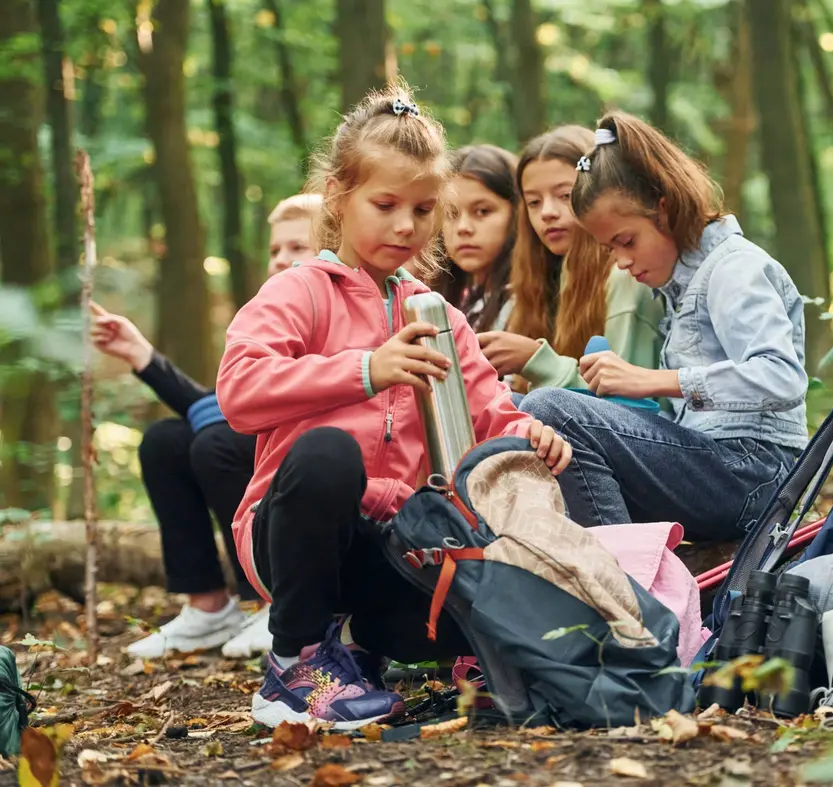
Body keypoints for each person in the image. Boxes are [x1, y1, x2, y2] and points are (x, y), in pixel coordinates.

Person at [216, 86, 572, 730]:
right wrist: (365, 369)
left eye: (423, 209)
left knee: (474, 633)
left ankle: (356, 653)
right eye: (384, 205)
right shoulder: (299, 293)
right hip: (294, 537)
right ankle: (294, 663)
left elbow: (489, 411)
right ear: (337, 197)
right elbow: (238, 394)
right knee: (328, 454)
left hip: (394, 544)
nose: (406, 226)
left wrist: (531, 434)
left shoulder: (436, 315)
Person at [519, 112, 809, 542]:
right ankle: (618, 577)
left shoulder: (734, 268)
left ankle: (624, 587)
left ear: (665, 207)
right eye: (608, 248)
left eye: (626, 241)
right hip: (720, 464)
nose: (620, 261)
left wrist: (652, 380)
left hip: (756, 475)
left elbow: (781, 378)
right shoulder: (680, 287)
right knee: (524, 414)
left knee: (551, 410)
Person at [90, 193, 322, 660]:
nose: (279, 260)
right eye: (275, 250)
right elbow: (228, 408)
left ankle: (279, 604)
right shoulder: (277, 316)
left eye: (296, 248)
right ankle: (210, 606)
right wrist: (144, 358)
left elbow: (236, 418)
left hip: (328, 462)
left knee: (217, 442)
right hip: (279, 451)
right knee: (166, 442)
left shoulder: (335, 309)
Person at [476, 125, 663, 391]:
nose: (547, 213)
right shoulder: (543, 280)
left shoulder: (627, 275)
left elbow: (629, 408)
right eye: (534, 202)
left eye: (565, 195)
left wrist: (535, 360)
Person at [436, 145, 518, 332]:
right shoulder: (450, 302)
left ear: (517, 214)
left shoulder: (529, 307)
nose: (463, 228)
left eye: (482, 211)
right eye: (451, 214)